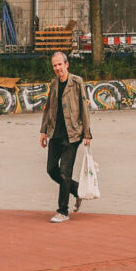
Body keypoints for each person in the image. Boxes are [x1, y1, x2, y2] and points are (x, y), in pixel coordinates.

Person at [38, 50, 92, 222]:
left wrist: (87, 133)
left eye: (60, 64)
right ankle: (77, 190)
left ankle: (63, 211)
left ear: (67, 64)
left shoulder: (77, 82)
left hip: (72, 134)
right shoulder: (54, 84)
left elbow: (84, 108)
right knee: (51, 169)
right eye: (54, 65)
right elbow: (48, 108)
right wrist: (43, 131)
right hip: (55, 133)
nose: (57, 68)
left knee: (64, 172)